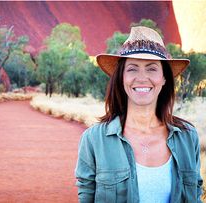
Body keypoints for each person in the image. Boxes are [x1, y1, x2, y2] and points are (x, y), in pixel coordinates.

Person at [75, 26, 203, 202]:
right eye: (132, 68)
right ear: (121, 77)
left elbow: (195, 195)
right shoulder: (94, 139)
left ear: (164, 78)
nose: (142, 77)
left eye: (151, 69)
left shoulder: (188, 138)